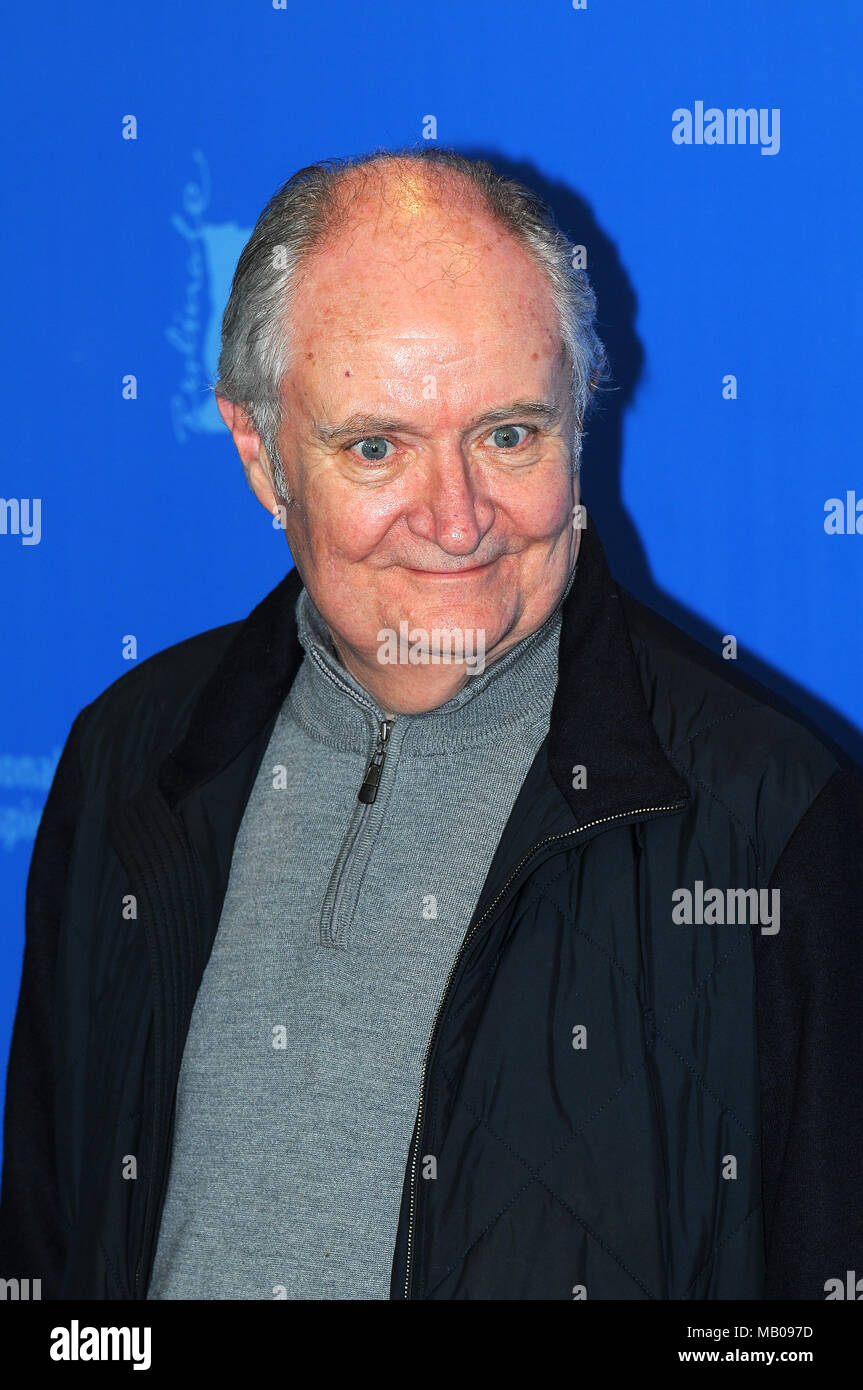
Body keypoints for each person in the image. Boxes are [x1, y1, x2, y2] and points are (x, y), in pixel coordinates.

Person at [1, 148, 861, 1301]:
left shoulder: (776, 823)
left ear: (577, 421)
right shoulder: (126, 758)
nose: (455, 522)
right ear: (261, 455)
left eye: (508, 435)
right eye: (376, 447)